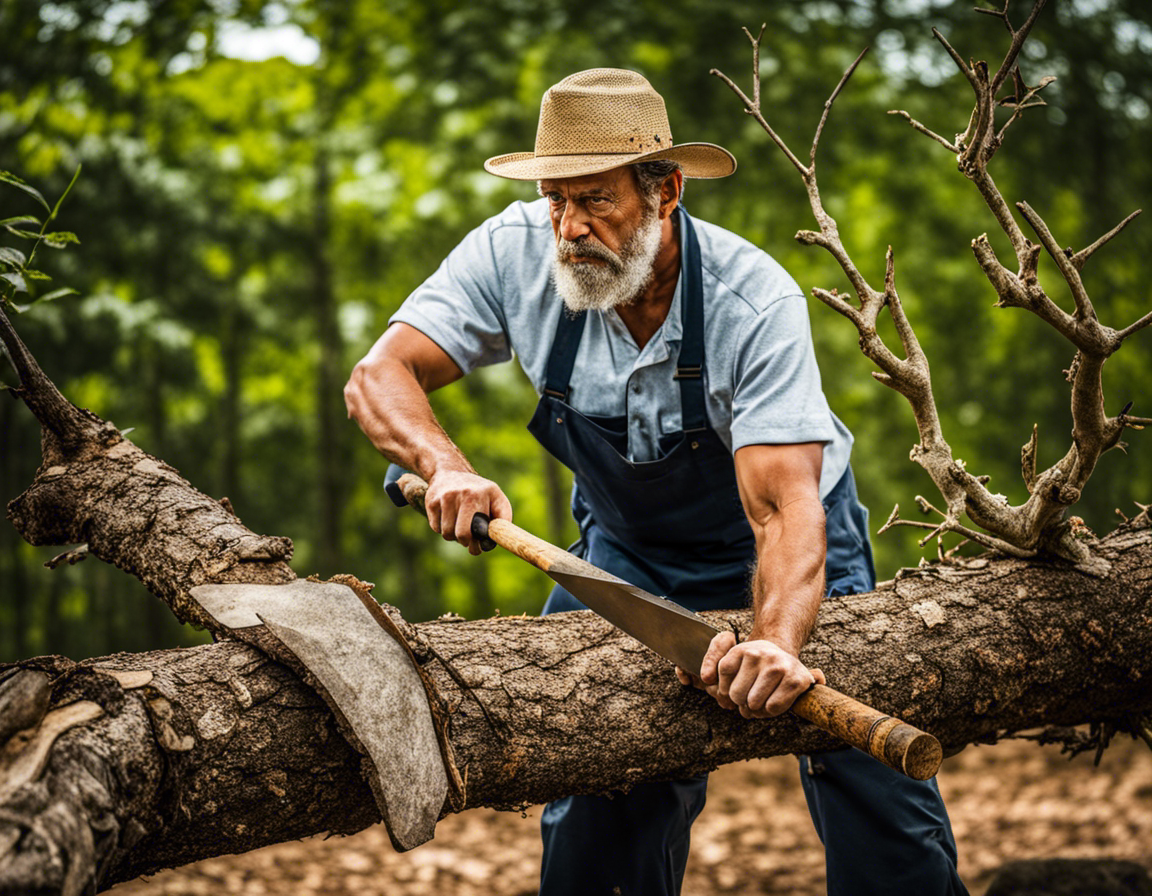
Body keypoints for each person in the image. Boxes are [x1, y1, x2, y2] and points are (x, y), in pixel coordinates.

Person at [345, 68, 966, 896]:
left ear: (666, 190)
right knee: (602, 806)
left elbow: (785, 509)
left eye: (596, 200)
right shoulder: (512, 253)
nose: (569, 228)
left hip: (786, 549)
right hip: (624, 561)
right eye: (556, 200)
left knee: (880, 805)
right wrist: (445, 465)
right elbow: (378, 376)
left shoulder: (753, 302)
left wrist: (777, 644)